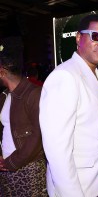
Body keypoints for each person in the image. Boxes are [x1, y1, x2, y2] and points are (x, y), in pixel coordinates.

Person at [39, 14, 98, 196]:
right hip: (76, 189)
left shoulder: (97, 75)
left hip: (97, 185)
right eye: (96, 36)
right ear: (79, 38)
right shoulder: (65, 77)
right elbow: (57, 151)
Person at [0, 50, 46, 196]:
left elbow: (38, 135)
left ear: (2, 72)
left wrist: (13, 162)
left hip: (29, 169)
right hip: (6, 167)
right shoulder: (4, 96)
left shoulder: (34, 93)